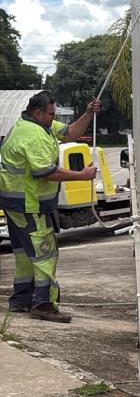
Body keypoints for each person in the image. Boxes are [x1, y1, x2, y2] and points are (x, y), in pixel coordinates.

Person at [0, 91, 101, 323]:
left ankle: (21, 301)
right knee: (46, 254)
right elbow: (45, 172)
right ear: (38, 113)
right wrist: (81, 175)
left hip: (16, 204)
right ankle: (43, 304)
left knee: (25, 255)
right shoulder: (33, 135)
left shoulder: (30, 124)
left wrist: (87, 114)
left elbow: (70, 133)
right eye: (52, 113)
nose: (54, 117)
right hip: (30, 204)